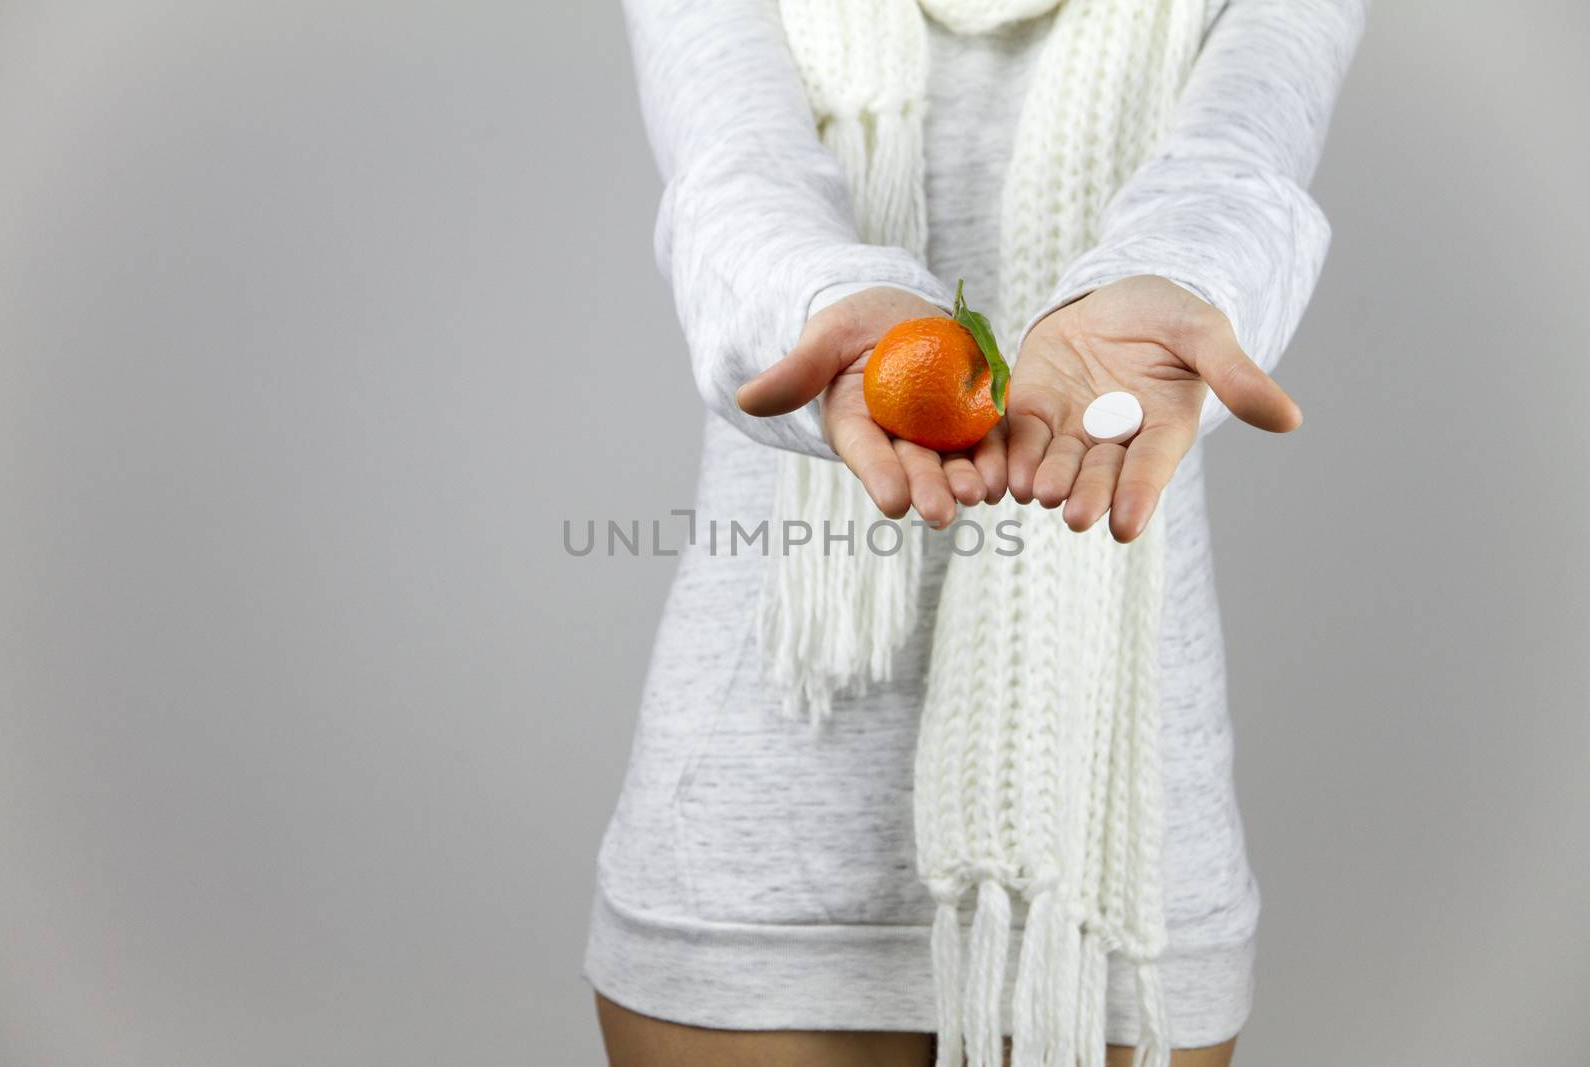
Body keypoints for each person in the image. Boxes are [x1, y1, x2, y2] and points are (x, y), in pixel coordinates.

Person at [584, 1, 1366, 1064]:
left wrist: (1179, 283)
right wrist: (839, 302)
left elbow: (1235, 168)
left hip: (1102, 839)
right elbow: (734, 179)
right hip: (757, 803)